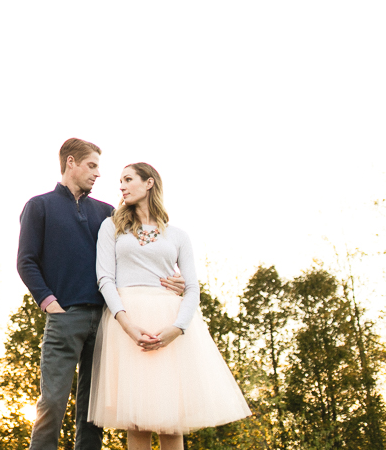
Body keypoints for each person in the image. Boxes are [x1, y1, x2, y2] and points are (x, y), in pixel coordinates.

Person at [18, 139, 183, 450]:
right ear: (70, 163)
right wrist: (49, 302)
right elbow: (26, 261)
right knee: (52, 401)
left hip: (108, 320)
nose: (98, 174)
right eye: (92, 166)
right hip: (65, 316)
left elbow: (136, 256)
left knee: (93, 410)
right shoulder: (39, 206)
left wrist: (177, 283)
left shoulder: (108, 213)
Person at [89, 163, 251, 450]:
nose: (122, 186)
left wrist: (177, 328)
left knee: (171, 422)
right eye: (120, 181)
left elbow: (191, 288)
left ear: (149, 183)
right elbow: (105, 278)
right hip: (127, 322)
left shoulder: (178, 235)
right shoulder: (111, 226)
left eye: (128, 179)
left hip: (169, 321)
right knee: (137, 422)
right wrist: (126, 325)